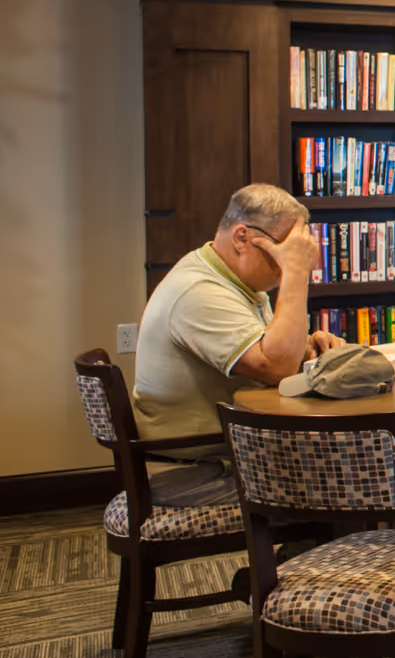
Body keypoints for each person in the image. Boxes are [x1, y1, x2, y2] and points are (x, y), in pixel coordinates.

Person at [131, 183, 342, 459]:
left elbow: (273, 353)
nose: (290, 258)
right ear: (242, 237)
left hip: (229, 451)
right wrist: (296, 272)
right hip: (197, 469)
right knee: (353, 472)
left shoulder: (238, 283)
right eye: (287, 248)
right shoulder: (198, 292)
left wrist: (308, 347)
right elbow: (276, 368)